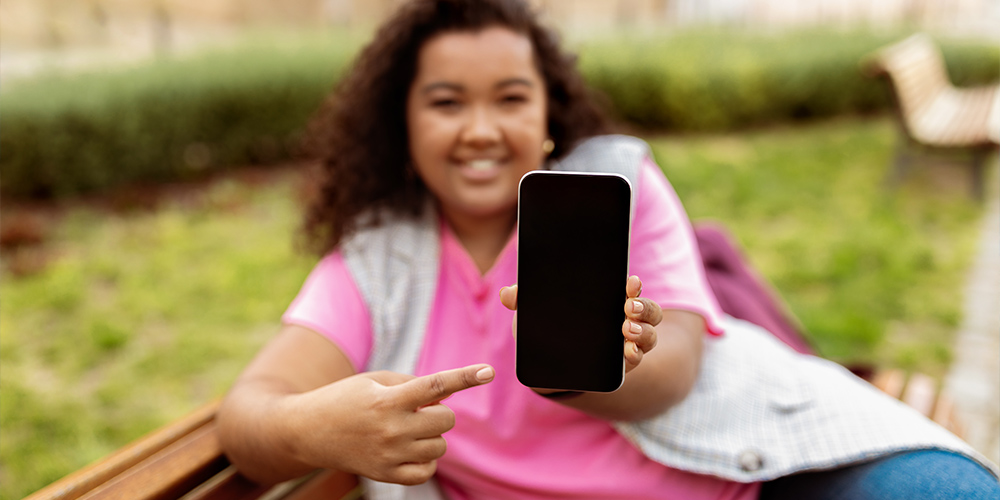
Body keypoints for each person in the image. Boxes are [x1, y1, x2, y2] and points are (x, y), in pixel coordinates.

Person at [216, 1, 999, 499]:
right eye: (447, 102)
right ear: (404, 127)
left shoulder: (615, 186)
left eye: (511, 98)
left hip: (751, 470)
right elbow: (251, 411)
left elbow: (678, 365)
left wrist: (595, 369)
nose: (482, 128)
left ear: (550, 118)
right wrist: (313, 432)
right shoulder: (376, 262)